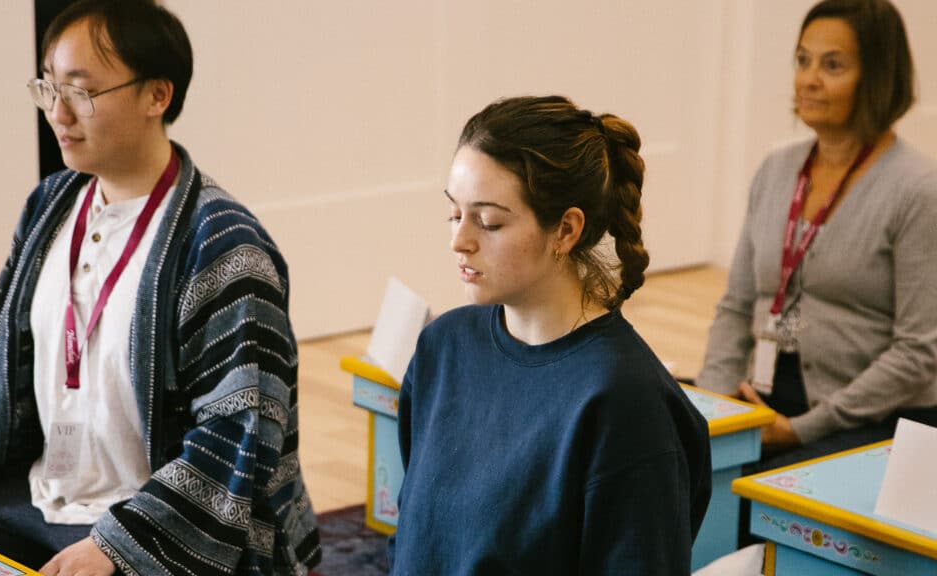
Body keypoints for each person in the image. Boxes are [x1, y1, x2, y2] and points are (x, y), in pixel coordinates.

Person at [0, 1, 320, 574]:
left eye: (81, 93)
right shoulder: (50, 205)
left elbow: (239, 436)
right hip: (42, 502)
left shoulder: (226, 247)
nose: (58, 112)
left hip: (168, 528)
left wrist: (117, 546)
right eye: (48, 88)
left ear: (157, 95)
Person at [389, 96, 712, 574]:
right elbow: (416, 537)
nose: (459, 240)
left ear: (565, 230)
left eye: (490, 221)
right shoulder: (444, 346)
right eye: (455, 214)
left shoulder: (624, 402)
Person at [698, 0, 937, 473]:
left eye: (832, 65)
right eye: (803, 60)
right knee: (662, 450)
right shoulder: (776, 170)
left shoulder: (918, 190)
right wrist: (711, 407)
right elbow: (736, 305)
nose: (808, 79)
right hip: (769, 396)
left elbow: (917, 354)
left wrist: (799, 430)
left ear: (877, 76)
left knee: (756, 493)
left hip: (871, 415)